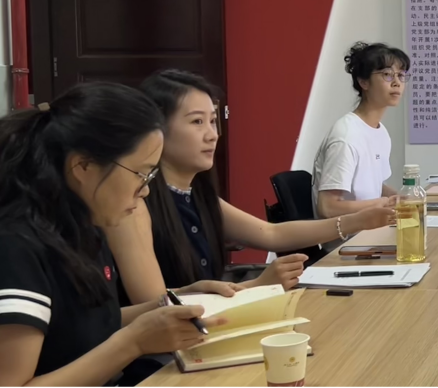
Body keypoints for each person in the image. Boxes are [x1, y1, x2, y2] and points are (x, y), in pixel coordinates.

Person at [0, 83, 228, 386]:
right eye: (141, 174)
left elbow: (85, 324)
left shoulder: (81, 228)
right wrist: (133, 342)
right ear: (83, 167)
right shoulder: (16, 246)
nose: (145, 190)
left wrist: (175, 302)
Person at [107, 70, 396, 305]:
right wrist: (257, 286)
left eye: (213, 121)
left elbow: (271, 233)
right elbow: (155, 309)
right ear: (156, 130)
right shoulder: (133, 206)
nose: (212, 134)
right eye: (197, 122)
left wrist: (357, 221)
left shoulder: (198, 194)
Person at [312, 42, 409, 220]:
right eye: (387, 74)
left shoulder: (380, 132)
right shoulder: (346, 136)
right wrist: (381, 203)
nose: (397, 83)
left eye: (401, 75)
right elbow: (327, 208)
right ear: (364, 82)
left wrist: (405, 200)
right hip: (347, 235)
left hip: (372, 226)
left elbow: (375, 186)